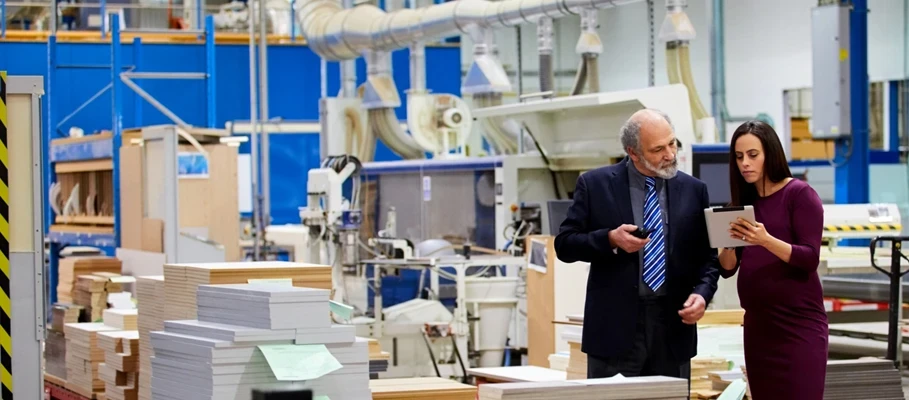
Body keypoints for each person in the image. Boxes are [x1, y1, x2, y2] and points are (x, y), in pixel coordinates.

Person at [554, 108, 720, 381]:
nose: (669, 154)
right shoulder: (595, 185)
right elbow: (565, 244)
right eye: (658, 149)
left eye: (672, 143)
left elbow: (708, 258)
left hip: (673, 328)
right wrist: (609, 239)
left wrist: (702, 294)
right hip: (614, 331)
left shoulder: (694, 190)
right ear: (633, 152)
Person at [719, 120, 827, 400]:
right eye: (739, 157)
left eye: (753, 155)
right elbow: (728, 269)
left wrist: (765, 240)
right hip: (759, 330)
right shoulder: (742, 205)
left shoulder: (799, 195)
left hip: (798, 328)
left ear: (770, 154)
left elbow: (809, 258)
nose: (745, 163)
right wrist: (726, 244)